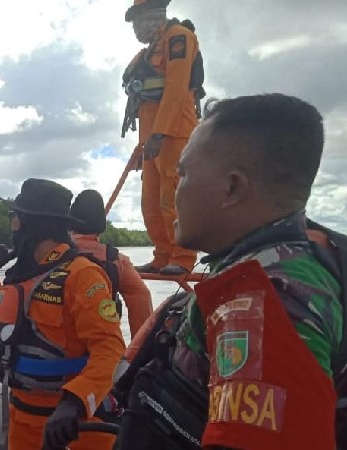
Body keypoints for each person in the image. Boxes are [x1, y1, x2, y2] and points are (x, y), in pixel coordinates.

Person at [112, 94, 345, 450]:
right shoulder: (297, 255)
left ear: (233, 187)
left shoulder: (265, 301)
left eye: (184, 174)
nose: (174, 190)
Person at [0, 178, 125, 450]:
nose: (12, 227)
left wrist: (75, 402)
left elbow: (109, 348)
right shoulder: (20, 273)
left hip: (71, 430)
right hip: (22, 419)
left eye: (15, 219)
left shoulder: (82, 275)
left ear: (35, 223)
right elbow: (2, 330)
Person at [121, 0, 204, 276]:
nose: (135, 30)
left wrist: (159, 134)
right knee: (151, 203)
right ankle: (162, 255)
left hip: (175, 134)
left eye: (137, 22)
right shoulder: (148, 52)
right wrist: (144, 144)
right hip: (151, 140)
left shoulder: (179, 38)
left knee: (173, 198)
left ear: (152, 17)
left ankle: (182, 257)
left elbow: (176, 89)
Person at [70, 189, 153, 339]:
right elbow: (141, 297)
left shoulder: (55, 253)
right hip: (102, 345)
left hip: (55, 348)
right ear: (102, 225)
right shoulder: (116, 260)